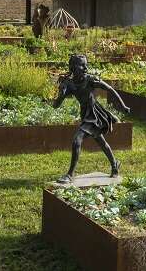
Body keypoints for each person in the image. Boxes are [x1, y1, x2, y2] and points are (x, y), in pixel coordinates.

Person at [53, 54, 130, 183]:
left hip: (94, 115)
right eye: (82, 65)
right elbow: (56, 105)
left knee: (77, 140)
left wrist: (122, 106)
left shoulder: (90, 80)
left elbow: (110, 89)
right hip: (85, 115)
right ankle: (115, 163)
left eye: (86, 65)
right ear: (73, 67)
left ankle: (70, 174)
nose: (85, 68)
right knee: (101, 142)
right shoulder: (70, 84)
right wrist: (61, 94)